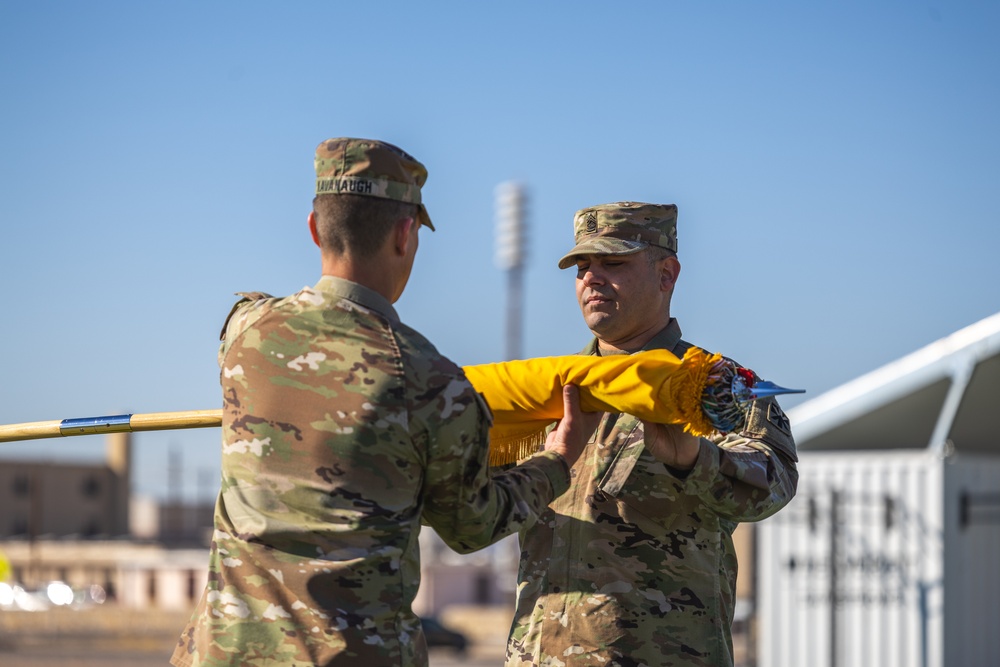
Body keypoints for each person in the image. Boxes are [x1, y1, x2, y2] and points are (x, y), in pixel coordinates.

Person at [171, 137, 591, 667]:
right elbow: (471, 525)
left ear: (313, 228)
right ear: (404, 234)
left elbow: (242, 310)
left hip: (223, 653)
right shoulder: (429, 380)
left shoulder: (248, 331)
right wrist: (555, 463)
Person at [504, 201, 799, 667]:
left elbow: (773, 482)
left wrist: (693, 457)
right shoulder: (547, 392)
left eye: (614, 263)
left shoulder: (712, 386)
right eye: (582, 267)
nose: (592, 279)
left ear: (667, 274)